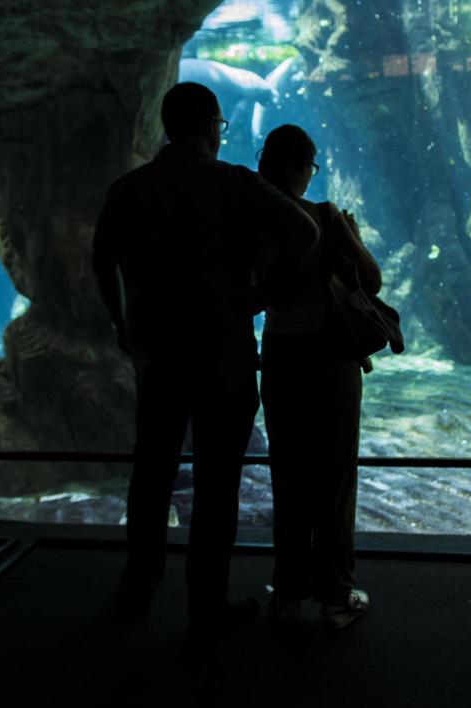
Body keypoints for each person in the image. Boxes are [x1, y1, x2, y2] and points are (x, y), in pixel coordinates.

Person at [92, 82, 317, 642]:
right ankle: (206, 602)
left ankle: (139, 580)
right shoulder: (235, 183)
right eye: (221, 127)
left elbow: (101, 260)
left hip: (159, 356)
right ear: (213, 125)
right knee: (218, 486)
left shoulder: (130, 189)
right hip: (224, 357)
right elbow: (305, 230)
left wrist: (120, 321)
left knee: (153, 472)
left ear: (167, 126)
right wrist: (265, 294)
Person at [256, 124, 382, 629]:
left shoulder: (253, 218)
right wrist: (350, 233)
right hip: (330, 360)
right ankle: (335, 596)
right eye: (311, 166)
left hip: (282, 359)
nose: (312, 175)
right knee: (333, 479)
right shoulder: (324, 215)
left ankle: (288, 593)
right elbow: (370, 280)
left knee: (288, 477)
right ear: (300, 165)